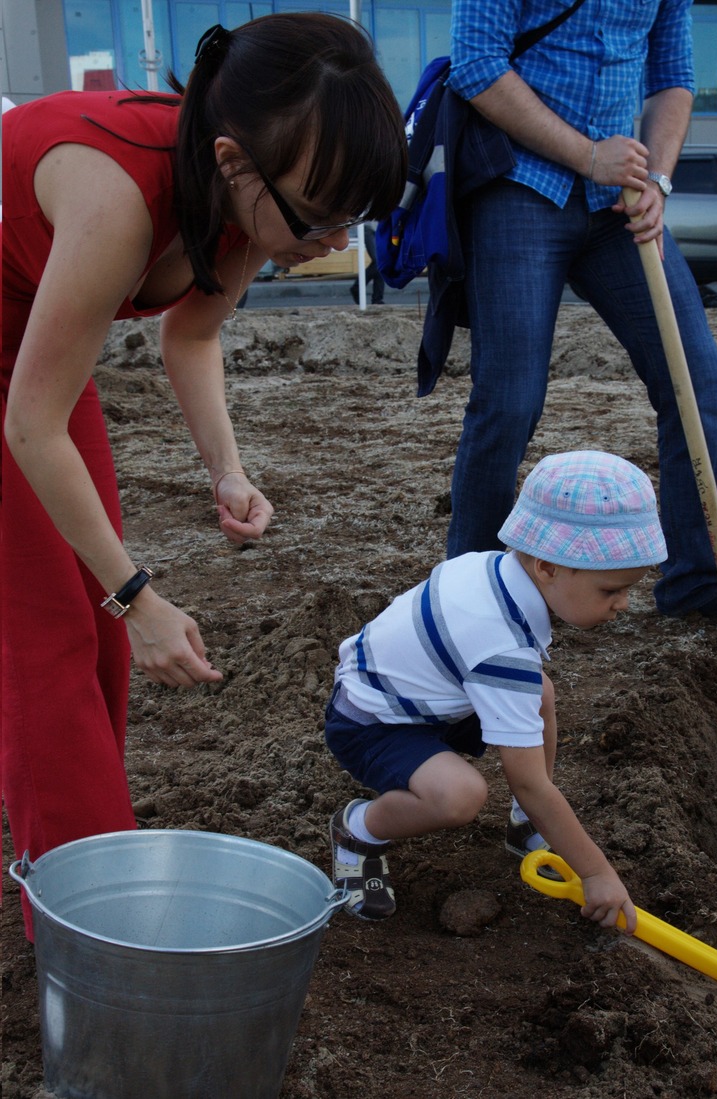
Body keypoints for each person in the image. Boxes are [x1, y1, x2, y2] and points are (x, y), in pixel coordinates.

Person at [1, 12, 407, 938]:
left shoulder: (251, 188)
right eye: (318, 215)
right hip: (19, 371)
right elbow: (30, 424)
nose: (331, 241)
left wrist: (227, 470)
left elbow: (194, 330)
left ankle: (60, 857)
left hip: (29, 344)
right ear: (232, 161)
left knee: (94, 626)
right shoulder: (120, 199)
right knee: (55, 626)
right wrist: (139, 594)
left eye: (354, 217)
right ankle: (86, 921)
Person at [444, 0, 717, 628]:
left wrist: (656, 178)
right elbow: (476, 65)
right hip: (521, 185)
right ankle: (469, 599)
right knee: (509, 398)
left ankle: (699, 585)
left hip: (620, 201)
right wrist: (586, 155)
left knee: (696, 380)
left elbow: (671, 78)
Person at [325, 449, 664, 927]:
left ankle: (526, 824)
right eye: (610, 590)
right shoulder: (499, 648)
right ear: (547, 566)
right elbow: (527, 779)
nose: (624, 605)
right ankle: (359, 830)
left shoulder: (495, 568)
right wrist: (597, 872)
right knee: (459, 796)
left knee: (537, 692)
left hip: (426, 696)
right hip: (373, 722)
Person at [350, 223, 386, 305]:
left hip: (380, 229)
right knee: (378, 261)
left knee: (381, 263)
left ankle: (377, 299)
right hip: (368, 228)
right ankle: (357, 287)